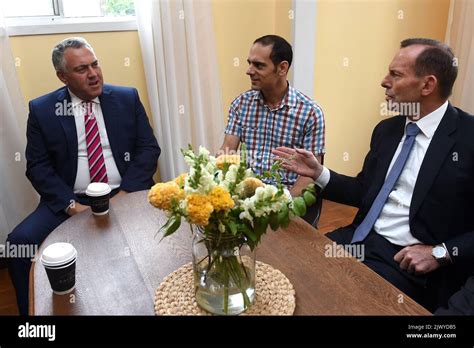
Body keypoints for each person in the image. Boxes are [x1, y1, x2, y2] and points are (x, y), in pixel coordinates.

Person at [272, 38, 474, 312]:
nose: (383, 81)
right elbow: (364, 191)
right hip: (358, 239)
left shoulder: (467, 139)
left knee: (335, 304)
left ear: (427, 85)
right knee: (287, 272)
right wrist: (319, 173)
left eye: (395, 74)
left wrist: (441, 253)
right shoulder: (387, 130)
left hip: (405, 263)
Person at [7, 37, 161, 315]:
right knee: (19, 243)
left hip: (125, 192)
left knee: (166, 237)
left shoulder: (127, 98)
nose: (93, 74)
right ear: (62, 76)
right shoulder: (42, 110)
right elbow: (38, 166)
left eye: (95, 64)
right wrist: (72, 207)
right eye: (82, 69)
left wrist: (124, 197)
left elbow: (148, 149)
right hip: (71, 199)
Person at [220, 35, 325, 197]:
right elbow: (227, 152)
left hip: (287, 197)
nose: (249, 71)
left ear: (282, 68)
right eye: (249, 63)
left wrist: (284, 205)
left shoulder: (310, 112)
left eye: (259, 65)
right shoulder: (240, 104)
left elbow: (310, 174)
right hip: (245, 195)